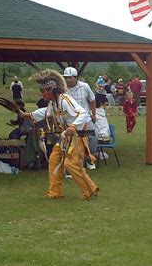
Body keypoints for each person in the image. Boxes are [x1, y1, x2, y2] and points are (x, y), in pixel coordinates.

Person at [24, 69, 99, 200]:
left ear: (51, 90)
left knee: (71, 164)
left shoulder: (65, 100)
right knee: (54, 159)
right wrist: (27, 115)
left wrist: (73, 126)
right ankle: (55, 192)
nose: (42, 94)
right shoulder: (53, 103)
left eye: (44, 91)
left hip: (77, 136)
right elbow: (45, 112)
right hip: (66, 138)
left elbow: (83, 113)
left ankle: (89, 190)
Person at [63, 67, 98, 169]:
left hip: (85, 118)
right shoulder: (62, 89)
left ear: (76, 77)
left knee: (92, 135)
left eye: (70, 77)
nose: (68, 80)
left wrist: (94, 114)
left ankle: (89, 158)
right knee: (68, 140)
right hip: (70, 120)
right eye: (66, 78)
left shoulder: (85, 86)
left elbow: (92, 100)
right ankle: (69, 164)